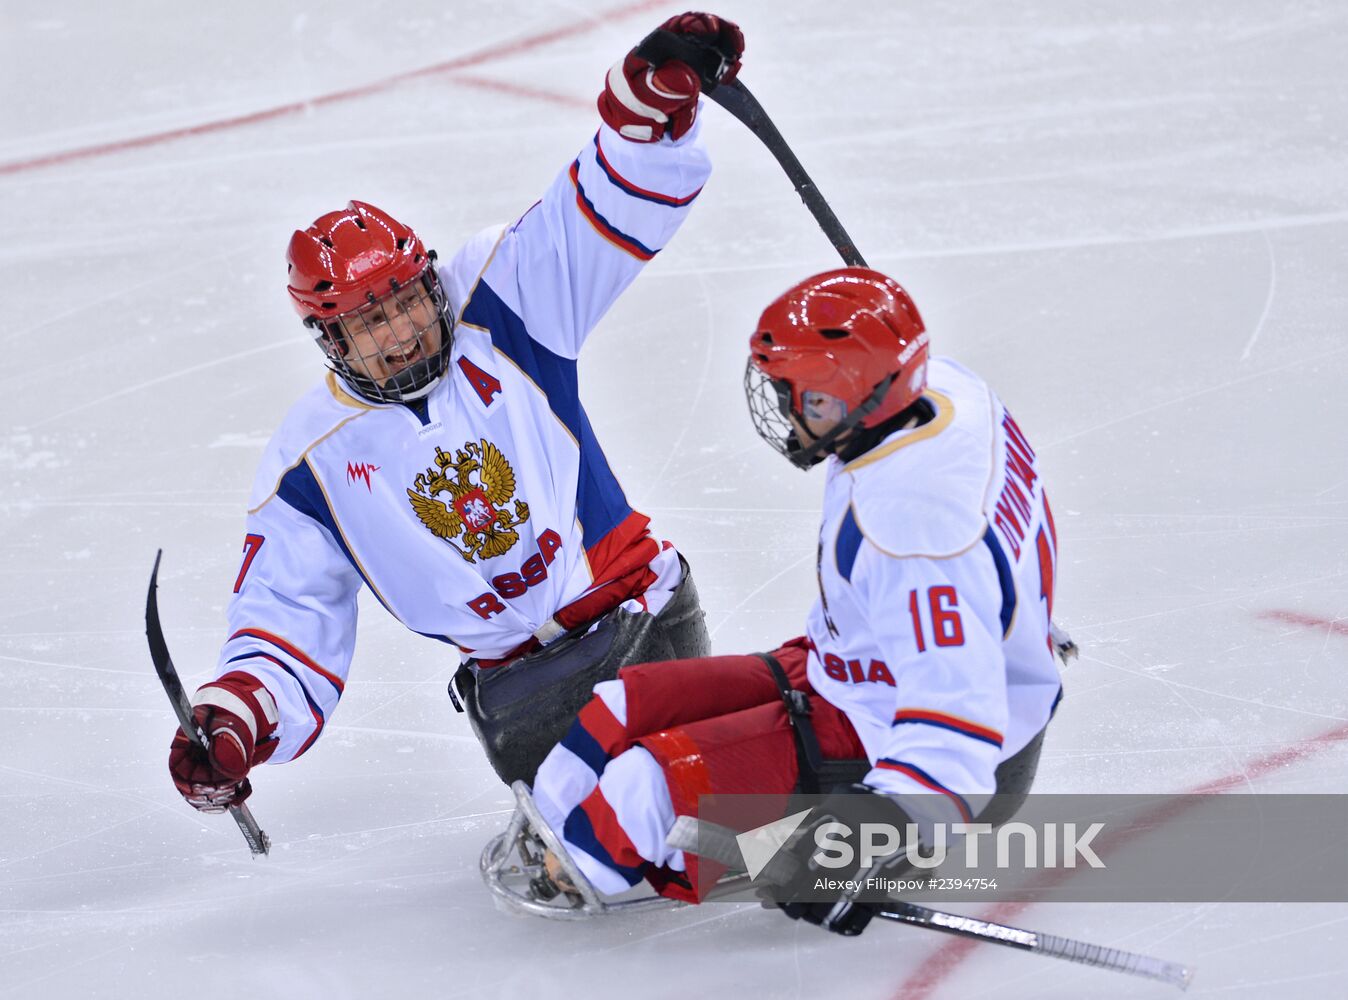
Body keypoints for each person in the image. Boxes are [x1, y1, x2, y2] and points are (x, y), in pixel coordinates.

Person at [168, 13, 747, 815]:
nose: (403, 331)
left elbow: (588, 219)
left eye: (406, 302)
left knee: (705, 825)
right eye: (371, 324)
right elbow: (286, 617)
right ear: (329, 339)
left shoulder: (499, 299)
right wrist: (233, 723)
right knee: (616, 860)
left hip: (637, 624)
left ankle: (845, 836)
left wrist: (643, 118)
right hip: (519, 699)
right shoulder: (310, 466)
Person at [520, 267, 1070, 931]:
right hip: (860, 669)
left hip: (913, 741)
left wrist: (863, 840)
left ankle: (582, 874)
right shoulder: (946, 389)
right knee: (623, 703)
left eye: (797, 393)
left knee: (646, 786)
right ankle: (562, 830)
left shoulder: (914, 538)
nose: (782, 406)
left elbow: (957, 728)